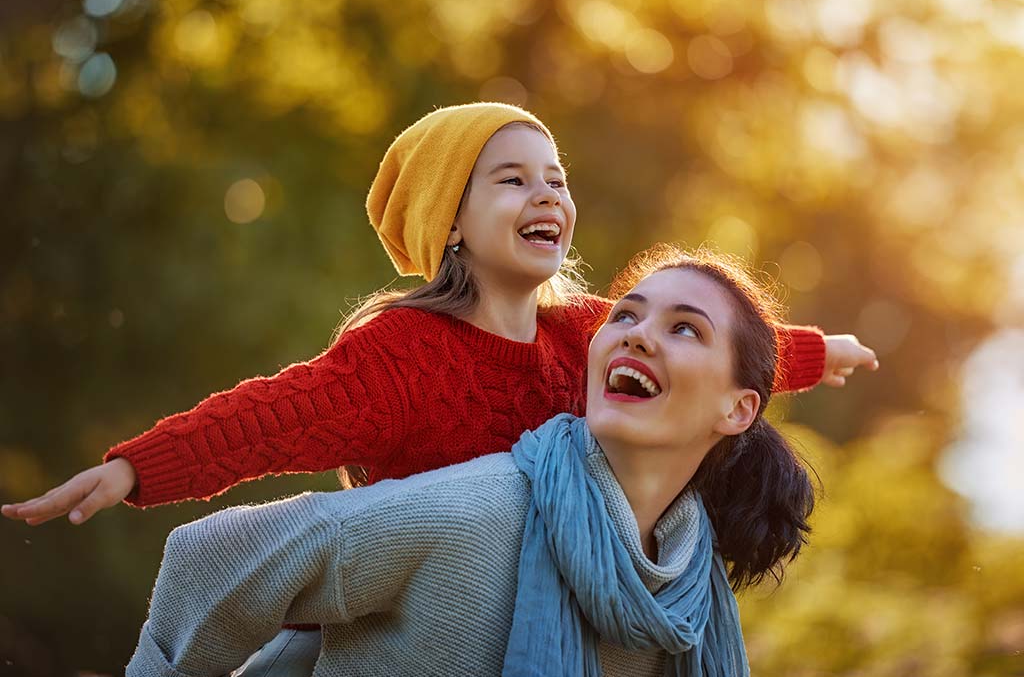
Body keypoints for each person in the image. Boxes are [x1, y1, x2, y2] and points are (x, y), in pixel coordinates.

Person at [1, 103, 874, 528]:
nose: (547, 195)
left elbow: (699, 349)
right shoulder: (401, 356)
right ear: (449, 221)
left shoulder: (587, 331)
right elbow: (268, 418)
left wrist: (812, 351)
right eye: (513, 179)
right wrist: (137, 470)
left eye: (556, 179)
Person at [127, 246, 816, 677]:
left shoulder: (689, 598)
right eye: (626, 316)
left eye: (683, 328)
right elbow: (209, 558)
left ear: (738, 411)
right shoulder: (477, 512)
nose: (637, 337)